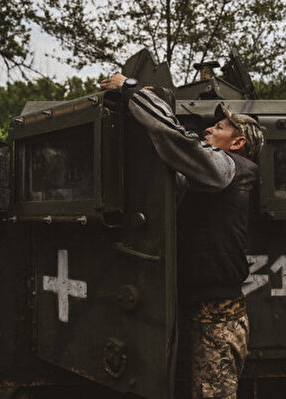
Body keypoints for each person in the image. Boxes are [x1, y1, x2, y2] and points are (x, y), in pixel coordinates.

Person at [101, 73, 265, 399]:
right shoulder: (209, 179)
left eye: (219, 128)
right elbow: (168, 160)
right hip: (202, 312)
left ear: (238, 143)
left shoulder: (229, 168)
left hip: (218, 320)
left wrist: (131, 90)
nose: (209, 129)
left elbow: (178, 141)